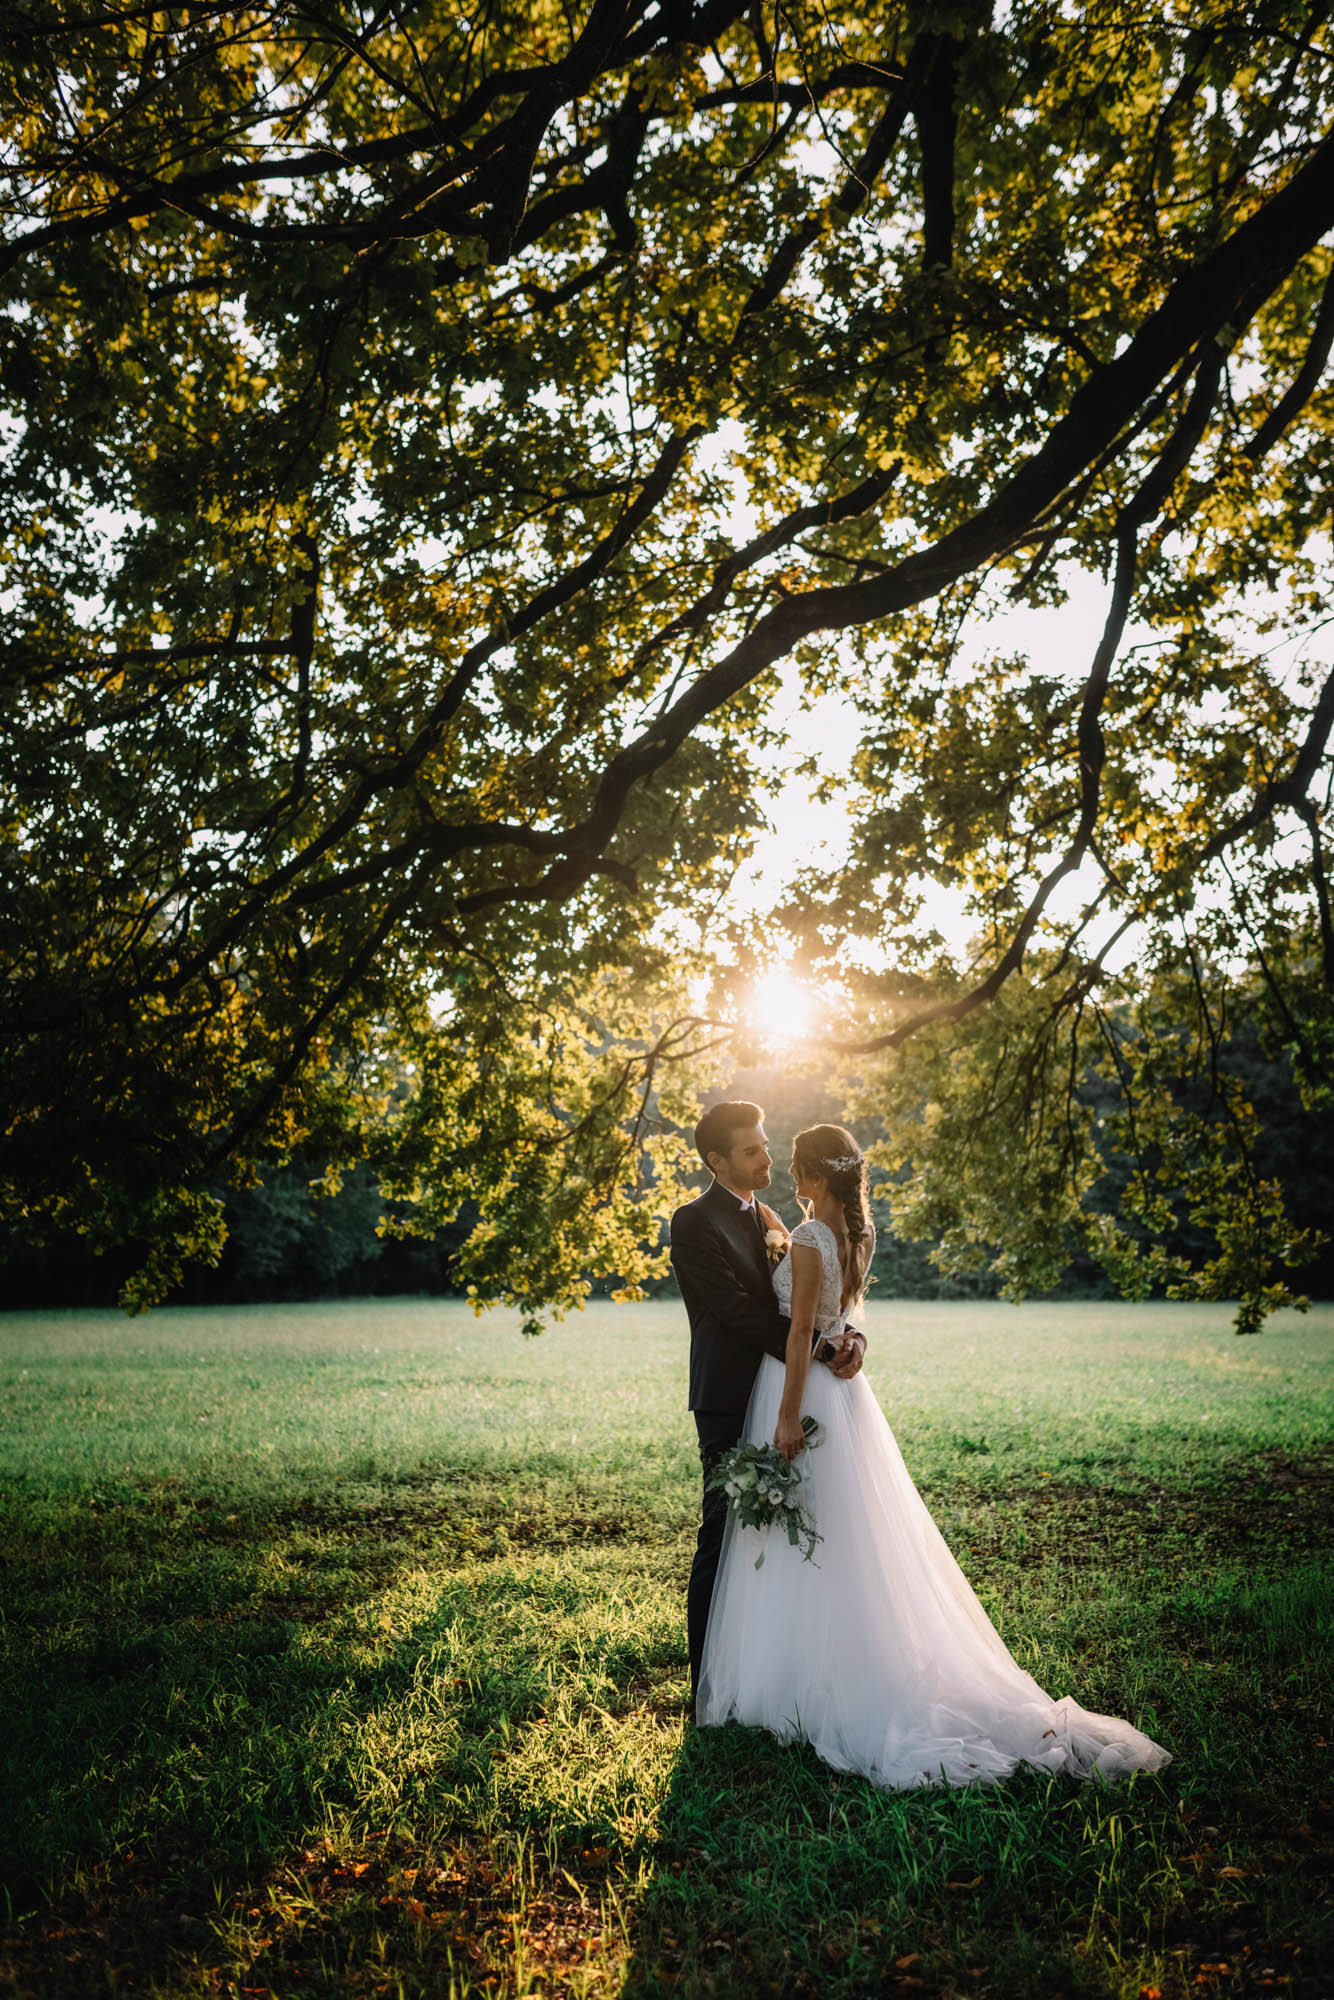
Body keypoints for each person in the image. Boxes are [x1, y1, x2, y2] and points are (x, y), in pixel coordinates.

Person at [694, 1121, 1173, 1789]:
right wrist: (845, 1332)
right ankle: (825, 1669)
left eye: (794, 1164)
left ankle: (799, 1685)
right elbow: (838, 1315)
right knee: (845, 1535)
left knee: (804, 1533)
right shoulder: (855, 1233)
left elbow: (801, 1329)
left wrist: (785, 1415)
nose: (784, 1171)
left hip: (799, 1389)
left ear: (814, 1175)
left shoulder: (806, 1236)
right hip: (844, 1398)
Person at [669, 1101, 866, 1709]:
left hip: (786, 1392)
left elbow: (821, 1294)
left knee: (788, 1536)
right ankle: (708, 1690)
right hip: (730, 1396)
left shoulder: (774, 1218)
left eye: (765, 1145)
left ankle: (778, 1678)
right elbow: (737, 1311)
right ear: (716, 1160)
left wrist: (852, 1337)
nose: (767, 1158)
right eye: (751, 1150)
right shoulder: (693, 1221)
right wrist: (822, 1345)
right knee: (722, 1533)